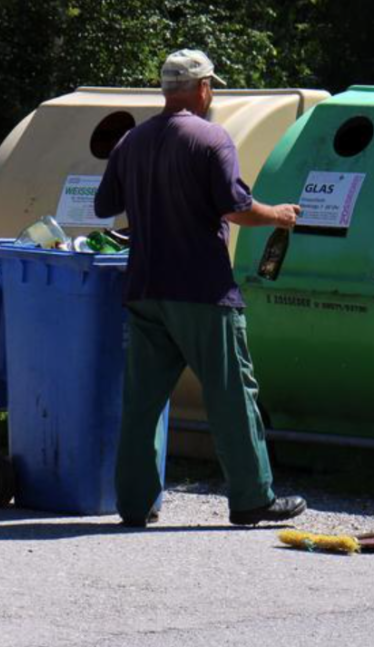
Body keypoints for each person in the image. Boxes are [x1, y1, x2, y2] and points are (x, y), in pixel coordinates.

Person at [94, 48, 306, 527]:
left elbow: (107, 204)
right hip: (203, 292)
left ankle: (134, 503)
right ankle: (253, 498)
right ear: (204, 88)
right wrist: (279, 216)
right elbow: (235, 209)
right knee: (232, 394)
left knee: (143, 402)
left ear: (167, 90)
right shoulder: (212, 138)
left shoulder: (131, 141)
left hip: (146, 288)